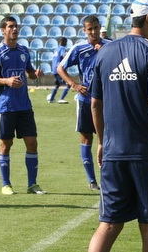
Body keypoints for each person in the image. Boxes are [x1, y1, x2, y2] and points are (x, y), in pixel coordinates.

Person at [88, 0, 148, 252]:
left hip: (114, 153)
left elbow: (95, 104)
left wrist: (101, 142)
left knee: (108, 224)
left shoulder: (104, 52)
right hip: (147, 155)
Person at [0, 16, 47, 195]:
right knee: (6, 144)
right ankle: (6, 184)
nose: (14, 29)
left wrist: (35, 73)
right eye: (10, 27)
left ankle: (32, 184)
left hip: (24, 105)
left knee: (32, 143)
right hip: (5, 106)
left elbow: (29, 73)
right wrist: (6, 81)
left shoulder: (23, 50)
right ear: (3, 30)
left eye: (16, 26)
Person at [57, 15, 110, 190]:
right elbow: (60, 67)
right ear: (84, 30)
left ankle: (108, 178)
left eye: (96, 28)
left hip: (106, 101)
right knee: (86, 137)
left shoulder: (109, 47)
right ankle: (92, 180)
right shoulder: (79, 48)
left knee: (108, 139)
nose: (93, 32)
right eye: (90, 29)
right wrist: (74, 84)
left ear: (100, 27)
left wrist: (102, 51)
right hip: (86, 100)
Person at [47, 36, 70, 104]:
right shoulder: (63, 48)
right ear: (65, 42)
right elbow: (64, 56)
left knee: (57, 84)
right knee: (68, 84)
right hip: (59, 69)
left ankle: (51, 99)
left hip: (54, 69)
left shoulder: (56, 49)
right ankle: (61, 98)